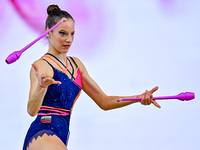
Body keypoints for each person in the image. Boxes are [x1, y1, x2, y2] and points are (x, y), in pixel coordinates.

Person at [22, 4, 161, 150]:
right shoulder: (42, 65)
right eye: (62, 33)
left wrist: (138, 98)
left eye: (72, 34)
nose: (69, 39)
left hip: (62, 134)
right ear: (48, 33)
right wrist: (42, 88)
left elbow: (104, 101)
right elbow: (31, 110)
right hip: (43, 133)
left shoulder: (76, 65)